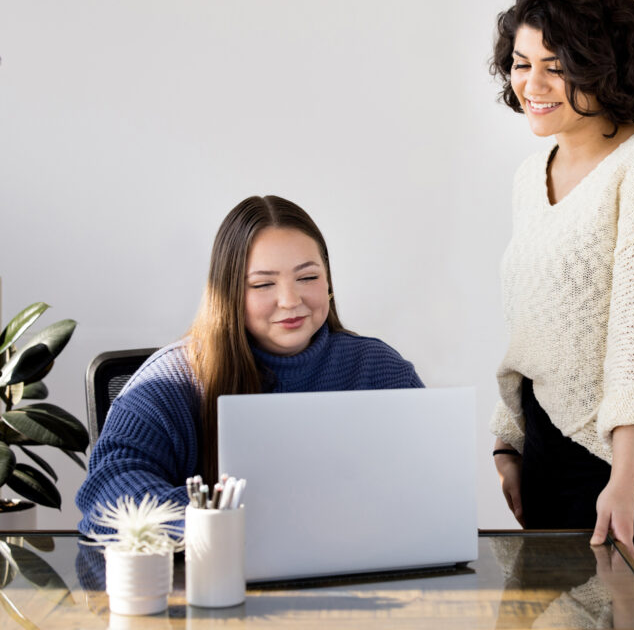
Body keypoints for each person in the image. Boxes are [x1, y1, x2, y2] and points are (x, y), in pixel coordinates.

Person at [488, 0, 634, 601]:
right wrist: (510, 440)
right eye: (520, 62)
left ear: (604, 66)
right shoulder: (531, 176)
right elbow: (529, 322)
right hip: (545, 452)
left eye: (555, 66)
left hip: (625, 467)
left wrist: (625, 478)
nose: (531, 84)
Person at [76, 195, 423, 532]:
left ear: (329, 283)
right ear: (228, 294)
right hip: (214, 581)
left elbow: (432, 477)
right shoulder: (172, 380)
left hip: (358, 570)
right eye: (262, 284)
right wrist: (224, 521)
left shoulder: (380, 369)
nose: (290, 300)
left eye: (308, 277)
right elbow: (109, 487)